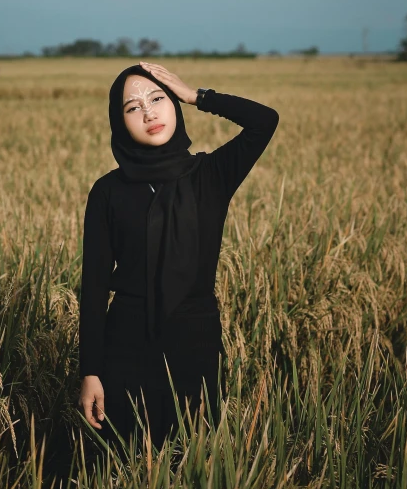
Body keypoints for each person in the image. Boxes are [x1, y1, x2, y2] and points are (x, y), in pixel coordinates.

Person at [77, 61, 279, 452]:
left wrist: (197, 95)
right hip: (126, 347)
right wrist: (90, 372)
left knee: (193, 463)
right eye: (132, 107)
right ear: (119, 123)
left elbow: (264, 121)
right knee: (118, 466)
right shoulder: (107, 192)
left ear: (175, 104)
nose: (148, 112)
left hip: (195, 343)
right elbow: (94, 285)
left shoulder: (210, 175)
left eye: (158, 98)